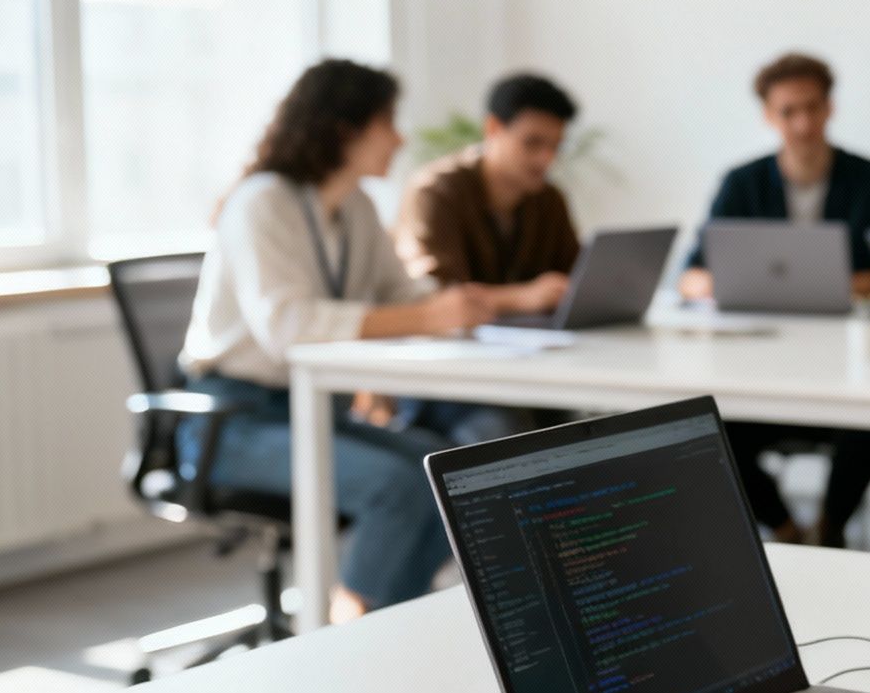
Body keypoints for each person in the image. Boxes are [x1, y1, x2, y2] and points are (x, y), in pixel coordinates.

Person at [179, 59, 565, 624]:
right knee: (397, 486)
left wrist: (463, 305)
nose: (400, 137)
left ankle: (384, 621)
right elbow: (290, 326)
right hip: (234, 423)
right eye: (388, 122)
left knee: (451, 473)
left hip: (314, 414)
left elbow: (406, 293)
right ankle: (351, 626)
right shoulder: (262, 202)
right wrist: (427, 314)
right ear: (344, 128)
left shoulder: (354, 208)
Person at [680, 53, 870, 547]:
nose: (803, 124)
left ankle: (830, 532)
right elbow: (691, 275)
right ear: (768, 115)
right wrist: (723, 283)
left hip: (848, 366)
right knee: (709, 424)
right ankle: (784, 528)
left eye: (813, 108)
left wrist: (828, 285)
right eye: (788, 112)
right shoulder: (741, 183)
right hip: (759, 366)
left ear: (830, 108)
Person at [395, 72, 583, 290]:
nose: (546, 158)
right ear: (493, 128)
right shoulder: (435, 191)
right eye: (532, 142)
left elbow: (575, 278)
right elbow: (437, 294)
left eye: (556, 146)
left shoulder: (549, 198)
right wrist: (522, 299)